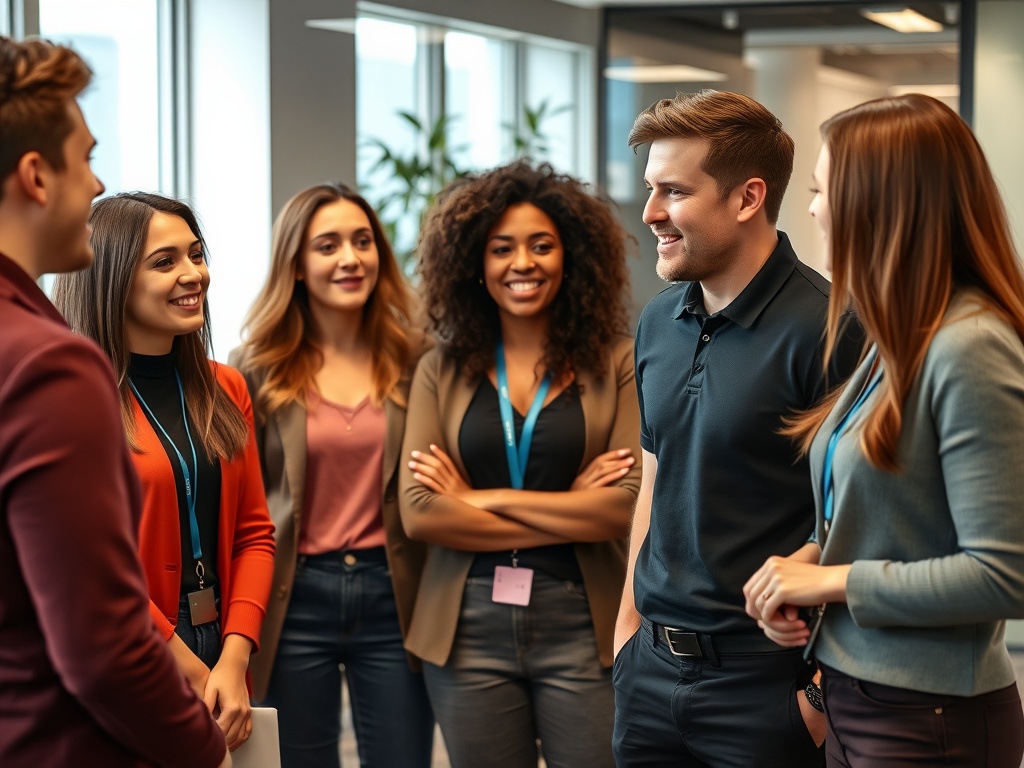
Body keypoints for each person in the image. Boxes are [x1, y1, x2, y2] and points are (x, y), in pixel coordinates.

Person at [743, 94, 1024, 767]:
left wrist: (831, 582)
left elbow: (1005, 575)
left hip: (930, 718)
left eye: (821, 190)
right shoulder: (897, 335)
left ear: (880, 204)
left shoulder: (971, 346)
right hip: (858, 693)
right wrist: (808, 559)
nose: (810, 209)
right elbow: (884, 514)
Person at [612, 90, 861, 768]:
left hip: (767, 689)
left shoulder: (833, 329)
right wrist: (627, 633)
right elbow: (656, 478)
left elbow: (866, 520)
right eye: (650, 189)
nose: (650, 213)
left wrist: (817, 697)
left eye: (673, 192)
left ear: (748, 198)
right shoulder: (658, 320)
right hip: (650, 674)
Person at [0, 36, 230, 768]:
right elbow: (101, 646)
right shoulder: (48, 363)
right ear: (37, 175)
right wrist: (204, 751)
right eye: (87, 158)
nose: (97, 185)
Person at [399, 160, 641, 768]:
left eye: (542, 245)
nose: (522, 263)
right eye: (501, 248)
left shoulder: (619, 362)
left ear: (573, 257)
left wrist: (480, 498)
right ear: (475, 264)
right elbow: (422, 514)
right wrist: (572, 507)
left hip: (585, 622)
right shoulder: (440, 367)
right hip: (466, 623)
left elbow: (623, 508)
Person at [53, 192, 276, 752]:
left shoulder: (225, 387)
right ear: (112, 279)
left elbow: (254, 534)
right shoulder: (76, 400)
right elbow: (89, 564)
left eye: (196, 255)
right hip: (135, 647)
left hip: (222, 636)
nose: (192, 274)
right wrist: (192, 670)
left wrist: (234, 654)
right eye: (165, 262)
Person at [229, 182, 434, 768]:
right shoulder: (255, 368)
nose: (350, 258)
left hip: (393, 591)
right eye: (328, 245)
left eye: (362, 241)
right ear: (295, 264)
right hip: (295, 595)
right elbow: (242, 502)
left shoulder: (421, 358)